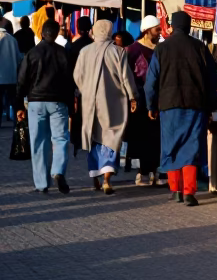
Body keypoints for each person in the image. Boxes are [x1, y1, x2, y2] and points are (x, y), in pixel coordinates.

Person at [144, 10, 217, 207]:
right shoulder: (200, 47)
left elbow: (150, 81)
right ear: (189, 26)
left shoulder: (161, 49)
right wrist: (212, 107)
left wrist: (151, 105)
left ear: (173, 26)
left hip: (168, 105)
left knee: (171, 146)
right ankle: (189, 192)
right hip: (195, 105)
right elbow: (213, 80)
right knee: (191, 147)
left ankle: (175, 190)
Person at [73, 20, 138, 195]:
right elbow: (125, 78)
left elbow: (77, 76)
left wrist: (85, 91)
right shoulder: (118, 52)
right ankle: (107, 179)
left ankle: (94, 176)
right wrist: (132, 97)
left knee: (94, 136)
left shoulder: (84, 51)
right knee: (111, 135)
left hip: (89, 102)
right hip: (113, 102)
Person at [16, 19, 73, 194]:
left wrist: (19, 105)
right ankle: (57, 171)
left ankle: (41, 184)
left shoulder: (32, 53)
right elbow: (69, 82)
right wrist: (70, 106)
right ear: (56, 34)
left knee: (38, 142)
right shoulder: (63, 53)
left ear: (41, 32)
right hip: (57, 101)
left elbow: (22, 81)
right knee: (60, 138)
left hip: (35, 102)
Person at [127, 15, 163, 185]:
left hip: (158, 98)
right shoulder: (133, 50)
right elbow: (127, 76)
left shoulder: (161, 49)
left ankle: (154, 172)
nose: (159, 32)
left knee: (156, 136)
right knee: (143, 135)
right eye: (157, 29)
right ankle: (143, 172)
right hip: (140, 99)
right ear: (148, 30)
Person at [66, 17, 94, 156]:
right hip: (92, 85)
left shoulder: (73, 46)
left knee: (77, 114)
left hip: (76, 85)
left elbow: (69, 68)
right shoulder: (93, 45)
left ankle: (77, 141)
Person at [0, 18, 22, 125]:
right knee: (14, 102)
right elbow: (19, 59)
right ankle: (17, 124)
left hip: (0, 77)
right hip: (12, 77)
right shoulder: (13, 40)